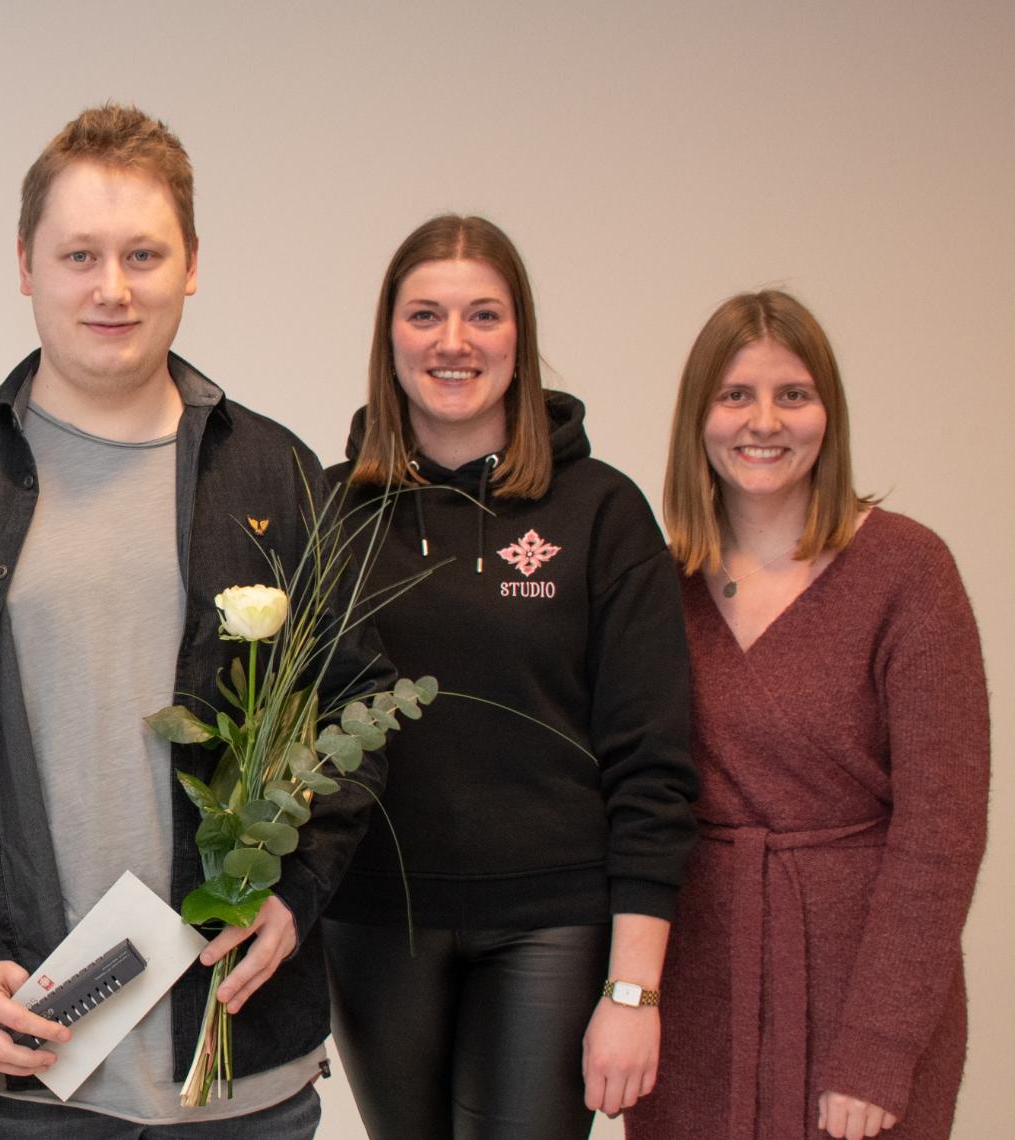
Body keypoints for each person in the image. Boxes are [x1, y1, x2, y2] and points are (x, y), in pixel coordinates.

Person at [0, 103, 392, 1137]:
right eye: (80, 254)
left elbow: (354, 703)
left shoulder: (273, 471)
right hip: (28, 1061)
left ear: (192, 265)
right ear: (25, 265)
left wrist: (298, 890)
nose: (113, 287)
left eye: (144, 253)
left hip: (241, 1071)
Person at [319, 214, 699, 1139]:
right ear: (390, 338)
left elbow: (656, 762)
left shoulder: (600, 510)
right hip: (376, 924)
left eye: (483, 315)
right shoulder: (328, 512)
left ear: (520, 338)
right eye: (425, 316)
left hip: (551, 924)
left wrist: (634, 990)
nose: (454, 342)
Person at [625, 291, 988, 1140]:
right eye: (735, 395)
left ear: (830, 412)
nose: (765, 421)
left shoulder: (908, 571)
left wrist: (877, 1047)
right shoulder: (657, 584)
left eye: (794, 394)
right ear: (697, 419)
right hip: (698, 981)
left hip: (860, 979)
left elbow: (943, 831)